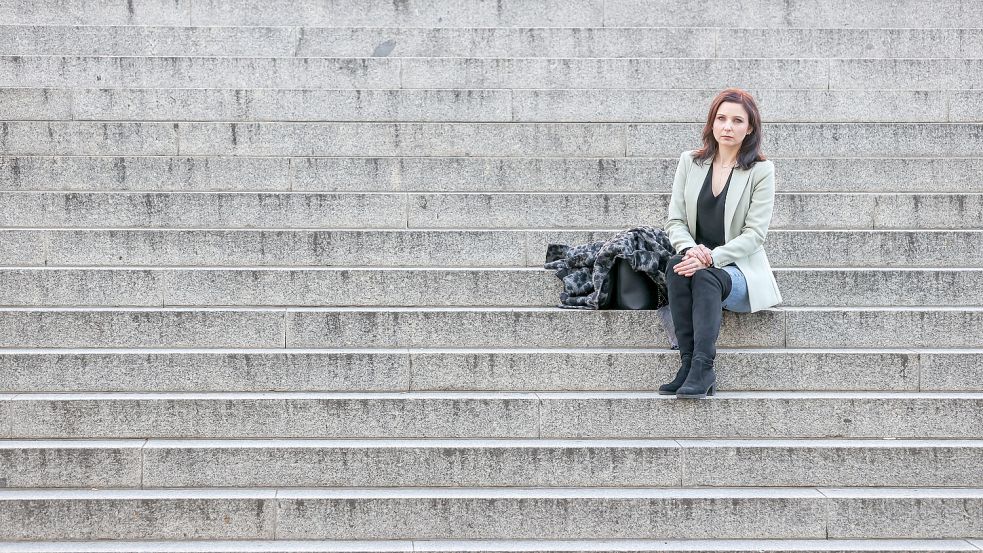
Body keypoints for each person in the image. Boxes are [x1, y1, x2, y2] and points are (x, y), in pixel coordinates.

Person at [659, 88, 783, 399]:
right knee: (676, 266)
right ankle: (688, 366)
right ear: (712, 123)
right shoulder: (690, 162)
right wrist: (691, 251)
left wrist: (712, 258)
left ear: (750, 128)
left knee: (704, 274)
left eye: (737, 120)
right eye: (721, 118)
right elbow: (675, 221)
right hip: (696, 262)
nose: (728, 126)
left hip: (738, 271)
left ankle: (704, 366)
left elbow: (755, 235)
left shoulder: (760, 171)